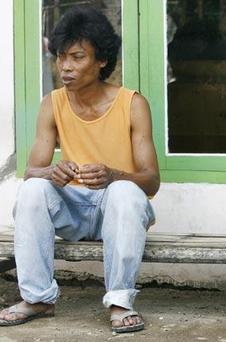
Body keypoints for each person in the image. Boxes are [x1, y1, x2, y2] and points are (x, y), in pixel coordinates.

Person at [0, 7, 159, 333]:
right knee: (32, 188)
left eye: (77, 57)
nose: (66, 67)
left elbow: (151, 180)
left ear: (101, 60)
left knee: (126, 191)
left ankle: (120, 301)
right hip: (71, 211)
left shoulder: (132, 104)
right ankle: (38, 297)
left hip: (117, 211)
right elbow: (32, 171)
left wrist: (114, 175)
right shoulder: (52, 103)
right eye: (61, 58)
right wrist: (51, 172)